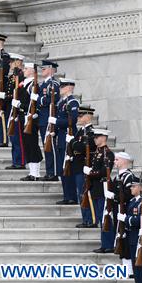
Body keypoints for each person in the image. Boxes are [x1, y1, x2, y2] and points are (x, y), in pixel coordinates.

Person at [86, 128, 115, 252]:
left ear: (103, 138)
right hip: (96, 188)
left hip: (103, 188)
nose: (95, 139)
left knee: (105, 217)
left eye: (97, 137)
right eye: (94, 137)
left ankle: (108, 245)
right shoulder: (97, 152)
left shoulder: (108, 153)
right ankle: (105, 244)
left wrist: (90, 173)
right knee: (100, 216)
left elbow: (104, 172)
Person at [54, 78, 82, 206]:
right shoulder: (62, 102)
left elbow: (73, 121)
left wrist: (57, 122)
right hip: (61, 138)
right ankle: (67, 195)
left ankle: (71, 196)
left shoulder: (72, 102)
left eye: (63, 86)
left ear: (70, 87)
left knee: (68, 167)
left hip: (68, 138)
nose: (60, 89)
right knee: (62, 168)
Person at [68, 101, 96, 227]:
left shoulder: (91, 132)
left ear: (88, 116)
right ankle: (85, 219)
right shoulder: (80, 131)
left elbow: (81, 147)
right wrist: (74, 144)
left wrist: (74, 143)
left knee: (86, 194)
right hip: (78, 167)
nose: (78, 118)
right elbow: (74, 146)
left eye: (80, 116)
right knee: (81, 194)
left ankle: (90, 220)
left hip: (85, 167)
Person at [16, 61, 43, 181]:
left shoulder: (33, 85)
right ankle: (32, 172)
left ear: (32, 71)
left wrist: (20, 105)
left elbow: (33, 104)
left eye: (26, 69)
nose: (24, 70)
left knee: (32, 144)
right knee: (27, 144)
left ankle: (35, 173)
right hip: (24, 117)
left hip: (30, 118)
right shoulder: (26, 83)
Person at [112, 152, 136, 270]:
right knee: (120, 237)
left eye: (117, 160)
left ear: (124, 161)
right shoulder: (117, 177)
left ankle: (129, 268)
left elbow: (128, 194)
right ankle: (125, 266)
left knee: (125, 237)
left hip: (125, 211)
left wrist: (115, 197)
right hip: (118, 210)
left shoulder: (128, 177)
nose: (114, 162)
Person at [37, 59, 60, 181]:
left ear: (51, 69)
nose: (42, 70)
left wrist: (38, 99)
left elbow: (52, 100)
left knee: (51, 147)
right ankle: (49, 171)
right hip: (42, 119)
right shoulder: (44, 84)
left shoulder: (53, 84)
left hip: (49, 119)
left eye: (44, 68)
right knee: (47, 147)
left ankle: (53, 172)